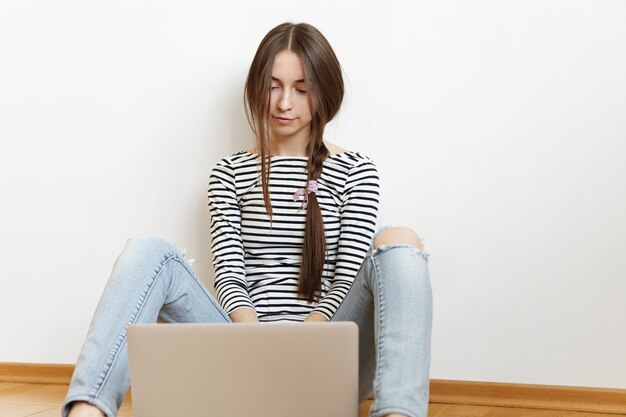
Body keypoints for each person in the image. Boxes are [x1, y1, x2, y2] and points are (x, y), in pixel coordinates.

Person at [62, 22, 433, 417]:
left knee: (400, 240)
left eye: (302, 89)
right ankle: (89, 409)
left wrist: (305, 345)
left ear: (325, 91)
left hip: (329, 356)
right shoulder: (229, 172)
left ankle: (398, 412)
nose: (284, 103)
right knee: (147, 249)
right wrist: (259, 348)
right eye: (273, 86)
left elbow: (345, 280)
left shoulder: (356, 170)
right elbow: (229, 277)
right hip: (243, 347)